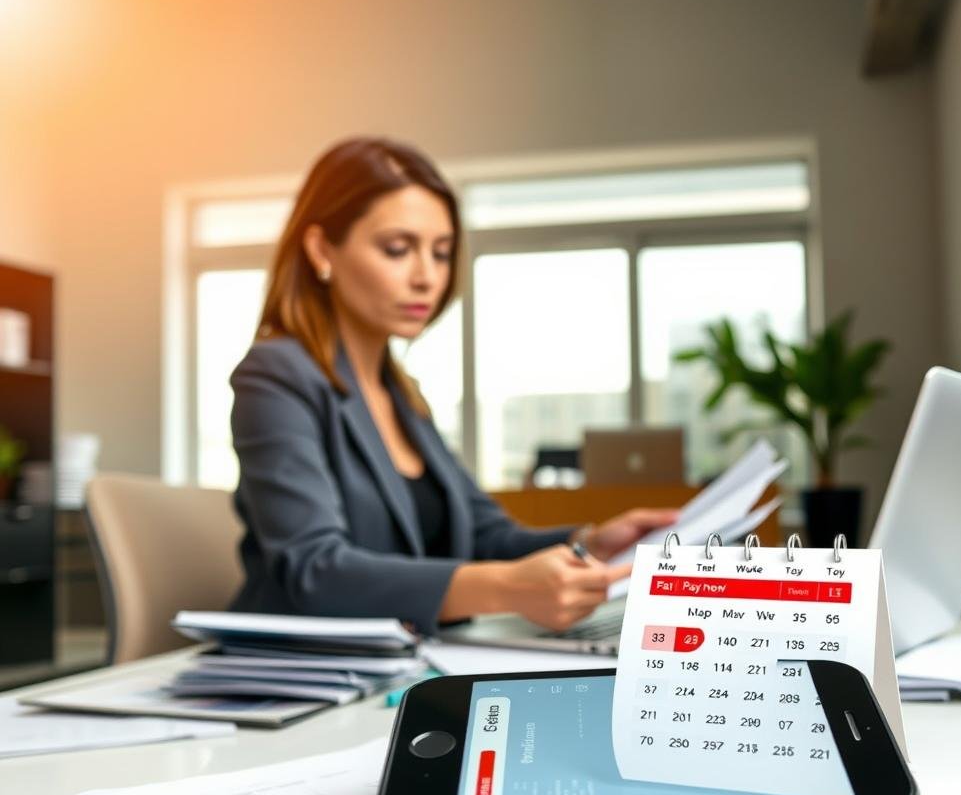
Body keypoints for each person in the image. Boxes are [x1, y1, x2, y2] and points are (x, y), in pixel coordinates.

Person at [230, 137, 677, 635]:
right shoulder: (276, 375)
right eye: (397, 249)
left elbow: (486, 536)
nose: (427, 277)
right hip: (300, 675)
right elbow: (315, 570)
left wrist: (591, 545)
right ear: (320, 249)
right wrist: (508, 587)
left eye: (441, 254)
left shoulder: (402, 396)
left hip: (404, 664)